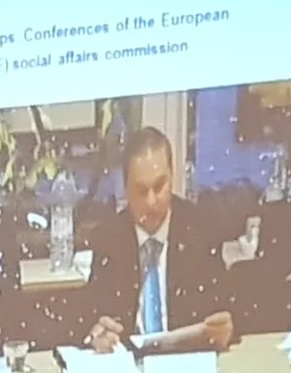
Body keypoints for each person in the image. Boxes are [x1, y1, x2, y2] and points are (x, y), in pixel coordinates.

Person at [85, 126, 234, 356]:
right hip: (130, 366)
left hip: (187, 363)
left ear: (172, 178)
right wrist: (98, 334)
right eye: (141, 190)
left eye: (159, 187)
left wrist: (226, 329)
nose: (152, 201)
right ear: (125, 188)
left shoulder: (201, 230)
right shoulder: (108, 239)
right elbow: (93, 319)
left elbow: (224, 311)